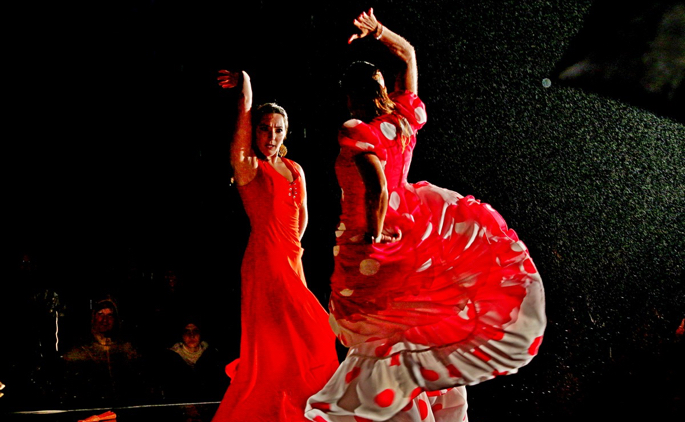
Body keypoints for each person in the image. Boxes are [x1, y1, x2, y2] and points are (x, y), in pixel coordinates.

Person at [305, 8, 547, 422]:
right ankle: (446, 410)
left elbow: (377, 184)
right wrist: (379, 31)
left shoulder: (355, 130)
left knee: (381, 337)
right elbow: (408, 56)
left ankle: (398, 411)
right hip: (417, 233)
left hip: (376, 240)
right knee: (418, 325)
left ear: (350, 95)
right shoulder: (403, 118)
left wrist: (373, 234)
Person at [210, 69, 340, 422]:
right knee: (315, 331)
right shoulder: (248, 165)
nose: (271, 135)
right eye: (265, 128)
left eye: (278, 129)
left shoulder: (295, 169)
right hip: (265, 262)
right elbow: (242, 118)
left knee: (291, 345)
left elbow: (303, 216)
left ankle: (286, 410)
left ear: (286, 133)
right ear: (254, 131)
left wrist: (293, 250)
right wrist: (246, 85)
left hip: (291, 260)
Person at [155, 316, 229, 402]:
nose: (192, 335)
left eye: (195, 331)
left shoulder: (213, 355)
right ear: (181, 335)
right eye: (187, 332)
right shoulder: (169, 358)